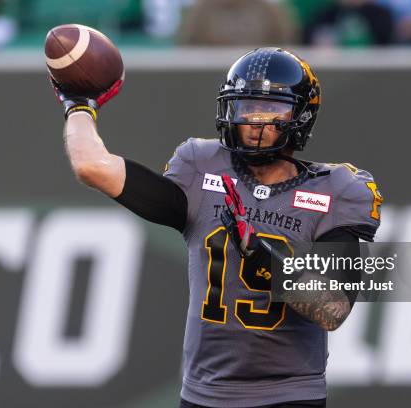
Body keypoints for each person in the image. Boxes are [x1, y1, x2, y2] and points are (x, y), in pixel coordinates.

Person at [50, 47, 383, 407]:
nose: (256, 122)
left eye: (271, 110)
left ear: (300, 115)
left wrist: (263, 255)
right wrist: (79, 105)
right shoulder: (202, 168)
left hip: (289, 395)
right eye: (246, 107)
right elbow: (92, 167)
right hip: (203, 394)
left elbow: (332, 309)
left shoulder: (336, 190)